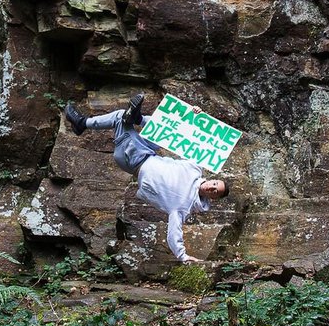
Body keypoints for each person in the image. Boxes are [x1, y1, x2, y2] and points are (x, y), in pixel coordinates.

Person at [65, 93, 229, 264]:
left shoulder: (183, 206)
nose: (212, 188)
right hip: (148, 151)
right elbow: (189, 135)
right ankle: (138, 118)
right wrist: (195, 115)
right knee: (168, 130)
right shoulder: (195, 168)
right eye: (215, 184)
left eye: (215, 192)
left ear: (213, 198)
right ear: (212, 179)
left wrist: (183, 256)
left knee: (121, 117)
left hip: (134, 159)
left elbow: (174, 232)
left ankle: (83, 123)